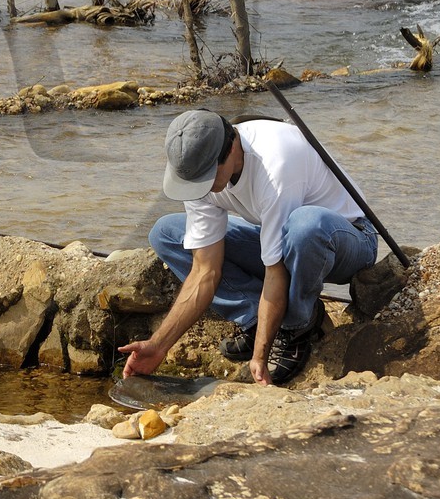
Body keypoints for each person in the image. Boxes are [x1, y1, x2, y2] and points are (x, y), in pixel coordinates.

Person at [118, 109, 379, 386]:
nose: (201, 188)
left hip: (347, 239)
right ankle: (256, 318)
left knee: (306, 225)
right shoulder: (196, 171)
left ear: (231, 148)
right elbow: (205, 271)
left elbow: (275, 271)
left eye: (207, 177)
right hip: (286, 236)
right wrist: (158, 345)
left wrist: (260, 357)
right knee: (167, 233)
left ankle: (298, 326)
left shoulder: (276, 162)